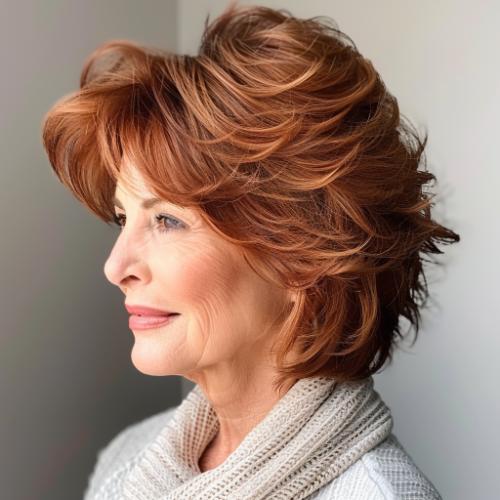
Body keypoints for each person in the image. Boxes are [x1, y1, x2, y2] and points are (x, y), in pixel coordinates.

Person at [41, 3, 459, 499]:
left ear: (301, 255)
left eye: (167, 220)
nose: (116, 267)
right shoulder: (125, 462)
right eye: (122, 218)